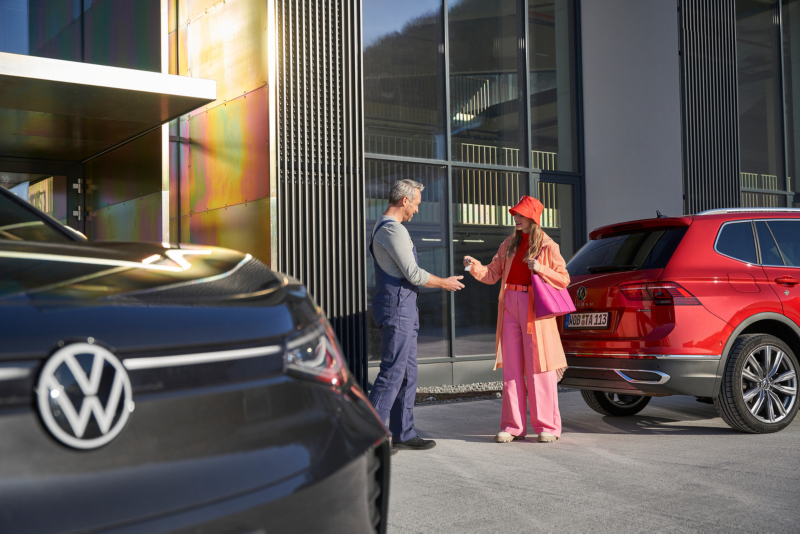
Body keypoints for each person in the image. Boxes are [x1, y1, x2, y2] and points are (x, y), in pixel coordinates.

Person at [463, 195, 569, 443]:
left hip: (535, 306)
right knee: (511, 367)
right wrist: (474, 266)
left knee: (539, 367)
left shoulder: (547, 245)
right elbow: (492, 274)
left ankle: (548, 427)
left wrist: (541, 268)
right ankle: (512, 427)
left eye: (521, 214)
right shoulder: (508, 243)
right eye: (516, 214)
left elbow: (564, 279)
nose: (516, 218)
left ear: (533, 217)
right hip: (510, 303)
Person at [369, 179, 465, 453]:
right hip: (397, 307)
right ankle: (370, 437)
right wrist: (444, 282)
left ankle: (402, 432)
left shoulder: (388, 227)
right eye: (417, 204)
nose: (418, 210)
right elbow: (413, 273)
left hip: (404, 307)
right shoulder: (392, 230)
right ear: (404, 201)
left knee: (408, 373)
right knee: (392, 373)